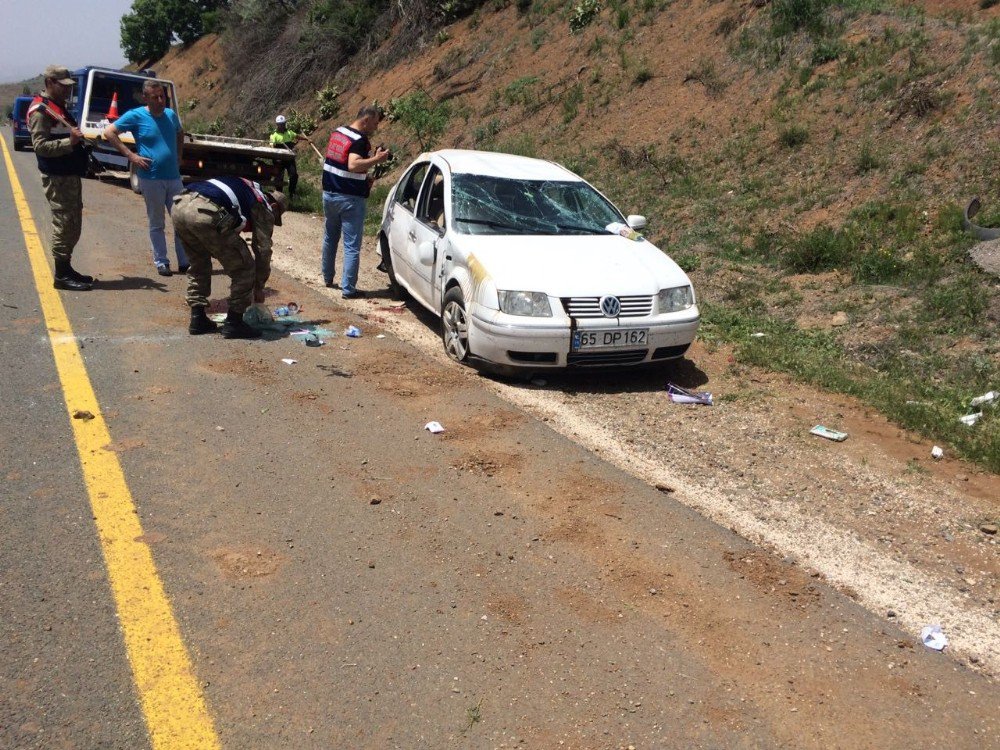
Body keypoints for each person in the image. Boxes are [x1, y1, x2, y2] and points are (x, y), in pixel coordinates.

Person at [170, 176, 286, 339]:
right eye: (276, 216)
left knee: (198, 264)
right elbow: (263, 249)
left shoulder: (246, 187)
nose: (272, 221)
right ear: (274, 206)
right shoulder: (264, 205)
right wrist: (259, 286)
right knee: (244, 268)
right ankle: (234, 323)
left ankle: (198, 319)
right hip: (206, 212)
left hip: (180, 205)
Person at [103, 79, 188, 277]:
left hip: (174, 177)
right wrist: (131, 156)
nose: (161, 101)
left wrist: (179, 155)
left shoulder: (170, 115)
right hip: (151, 178)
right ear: (145, 98)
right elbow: (109, 132)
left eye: (163, 97)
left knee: (181, 220)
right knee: (157, 222)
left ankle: (184, 262)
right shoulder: (136, 115)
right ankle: (162, 262)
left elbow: (180, 132)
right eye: (155, 97)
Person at [28, 65, 92, 291]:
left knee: (72, 224)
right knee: (63, 224)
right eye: (62, 86)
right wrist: (70, 143)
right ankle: (61, 275)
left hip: (69, 174)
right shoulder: (41, 111)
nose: (67, 91)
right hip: (57, 177)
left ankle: (67, 267)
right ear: (49, 82)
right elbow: (40, 146)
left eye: (69, 87)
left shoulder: (59, 108)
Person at [320, 105, 390, 299]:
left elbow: (341, 163)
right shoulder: (360, 140)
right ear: (365, 120)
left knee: (330, 236)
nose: (376, 127)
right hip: (349, 199)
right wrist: (376, 159)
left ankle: (327, 277)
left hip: (329, 194)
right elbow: (352, 164)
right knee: (351, 245)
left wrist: (367, 167)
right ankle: (348, 289)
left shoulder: (338, 133)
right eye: (375, 123)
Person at [269, 115, 305, 198]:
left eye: (283, 124)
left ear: (285, 123)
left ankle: (292, 193)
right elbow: (271, 145)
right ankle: (278, 195)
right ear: (277, 125)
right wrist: (273, 147)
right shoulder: (274, 135)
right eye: (279, 124)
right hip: (279, 160)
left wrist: (306, 139)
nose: (281, 126)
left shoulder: (289, 132)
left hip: (289, 159)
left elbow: (296, 136)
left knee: (294, 175)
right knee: (279, 177)